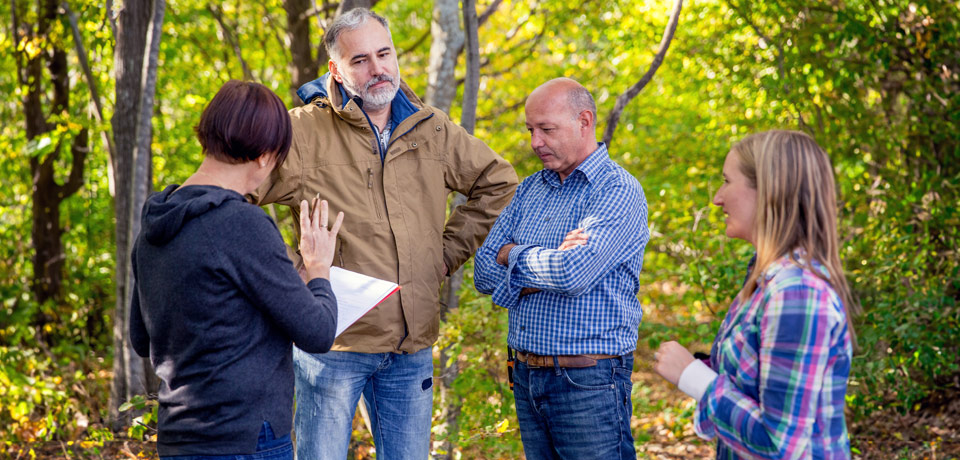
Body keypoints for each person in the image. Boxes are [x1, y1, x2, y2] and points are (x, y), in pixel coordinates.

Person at [250, 8, 518, 459]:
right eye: (359, 60)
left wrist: (442, 254)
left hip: (410, 347)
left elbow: (499, 183)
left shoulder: (431, 127)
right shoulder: (301, 132)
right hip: (331, 345)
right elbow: (235, 194)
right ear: (335, 69)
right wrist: (283, 278)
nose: (377, 69)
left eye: (384, 53)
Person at [129, 80, 342, 459]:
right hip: (245, 439)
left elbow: (141, 340)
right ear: (265, 154)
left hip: (178, 438)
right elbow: (318, 332)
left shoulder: (155, 220)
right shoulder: (241, 224)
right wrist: (318, 268)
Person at [653, 130, 857, 459]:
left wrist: (693, 377)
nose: (717, 198)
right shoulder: (766, 280)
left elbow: (779, 446)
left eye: (726, 181)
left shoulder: (796, 293)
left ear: (767, 192)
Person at [473, 78, 649, 460]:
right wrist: (547, 257)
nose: (535, 141)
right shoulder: (530, 190)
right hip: (525, 376)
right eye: (530, 130)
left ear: (584, 121)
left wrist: (513, 254)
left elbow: (573, 274)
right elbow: (483, 272)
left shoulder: (617, 190)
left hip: (587, 381)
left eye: (546, 129)